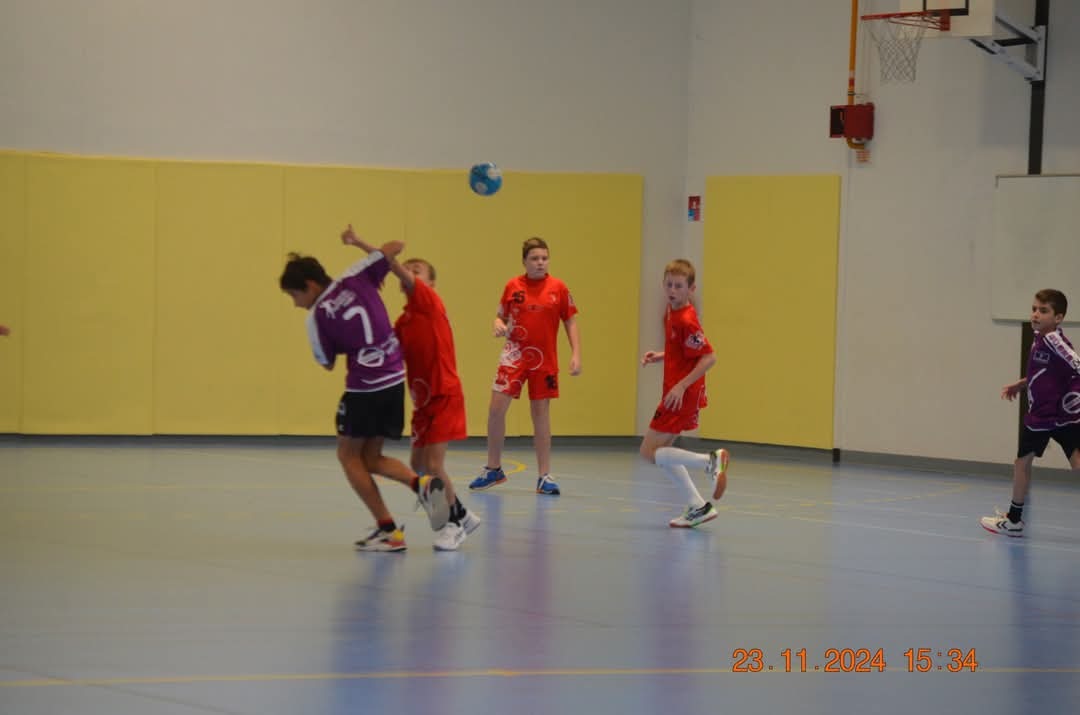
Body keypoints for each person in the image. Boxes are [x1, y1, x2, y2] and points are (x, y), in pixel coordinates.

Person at [279, 226, 450, 552]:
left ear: (310, 286)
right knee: (370, 457)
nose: (296, 304)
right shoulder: (355, 276)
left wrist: (342, 336)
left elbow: (326, 362)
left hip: (364, 388)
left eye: (295, 296)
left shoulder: (317, 316)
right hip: (394, 380)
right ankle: (418, 491)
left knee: (347, 455)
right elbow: (396, 245)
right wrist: (360, 246)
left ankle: (392, 524)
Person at [346, 227, 482, 551]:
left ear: (429, 283)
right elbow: (384, 348)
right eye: (407, 268)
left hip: (444, 394)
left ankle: (454, 525)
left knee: (433, 466)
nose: (408, 272)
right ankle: (461, 515)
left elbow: (393, 265)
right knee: (419, 468)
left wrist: (363, 244)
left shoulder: (430, 303)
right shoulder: (404, 321)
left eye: (416, 270)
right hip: (422, 402)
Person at [469, 237, 581, 496]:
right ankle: (493, 468)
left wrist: (576, 353)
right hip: (514, 354)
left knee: (540, 414)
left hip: (544, 359)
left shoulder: (559, 288)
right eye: (534, 258)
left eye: (544, 258)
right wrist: (497, 324)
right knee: (496, 409)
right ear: (524, 261)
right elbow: (500, 316)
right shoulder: (513, 286)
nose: (540, 262)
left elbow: (570, 321)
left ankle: (544, 476)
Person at [981, 289, 1080, 537]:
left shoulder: (1054, 340)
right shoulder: (1040, 338)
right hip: (1058, 416)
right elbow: (1046, 374)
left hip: (1046, 416)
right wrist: (1021, 384)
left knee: (1022, 463)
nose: (1036, 314)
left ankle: (1014, 521)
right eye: (1034, 309)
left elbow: (1076, 364)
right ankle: (1014, 519)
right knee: (1076, 461)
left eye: (1043, 311)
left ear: (1058, 317)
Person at [639, 259, 730, 528]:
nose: (672, 290)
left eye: (679, 286)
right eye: (669, 284)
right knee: (662, 452)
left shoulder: (687, 319)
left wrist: (681, 385)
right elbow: (684, 351)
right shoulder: (671, 310)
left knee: (649, 451)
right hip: (677, 392)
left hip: (681, 394)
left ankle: (709, 461)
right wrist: (662, 356)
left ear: (691, 289)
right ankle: (697, 506)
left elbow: (709, 357)